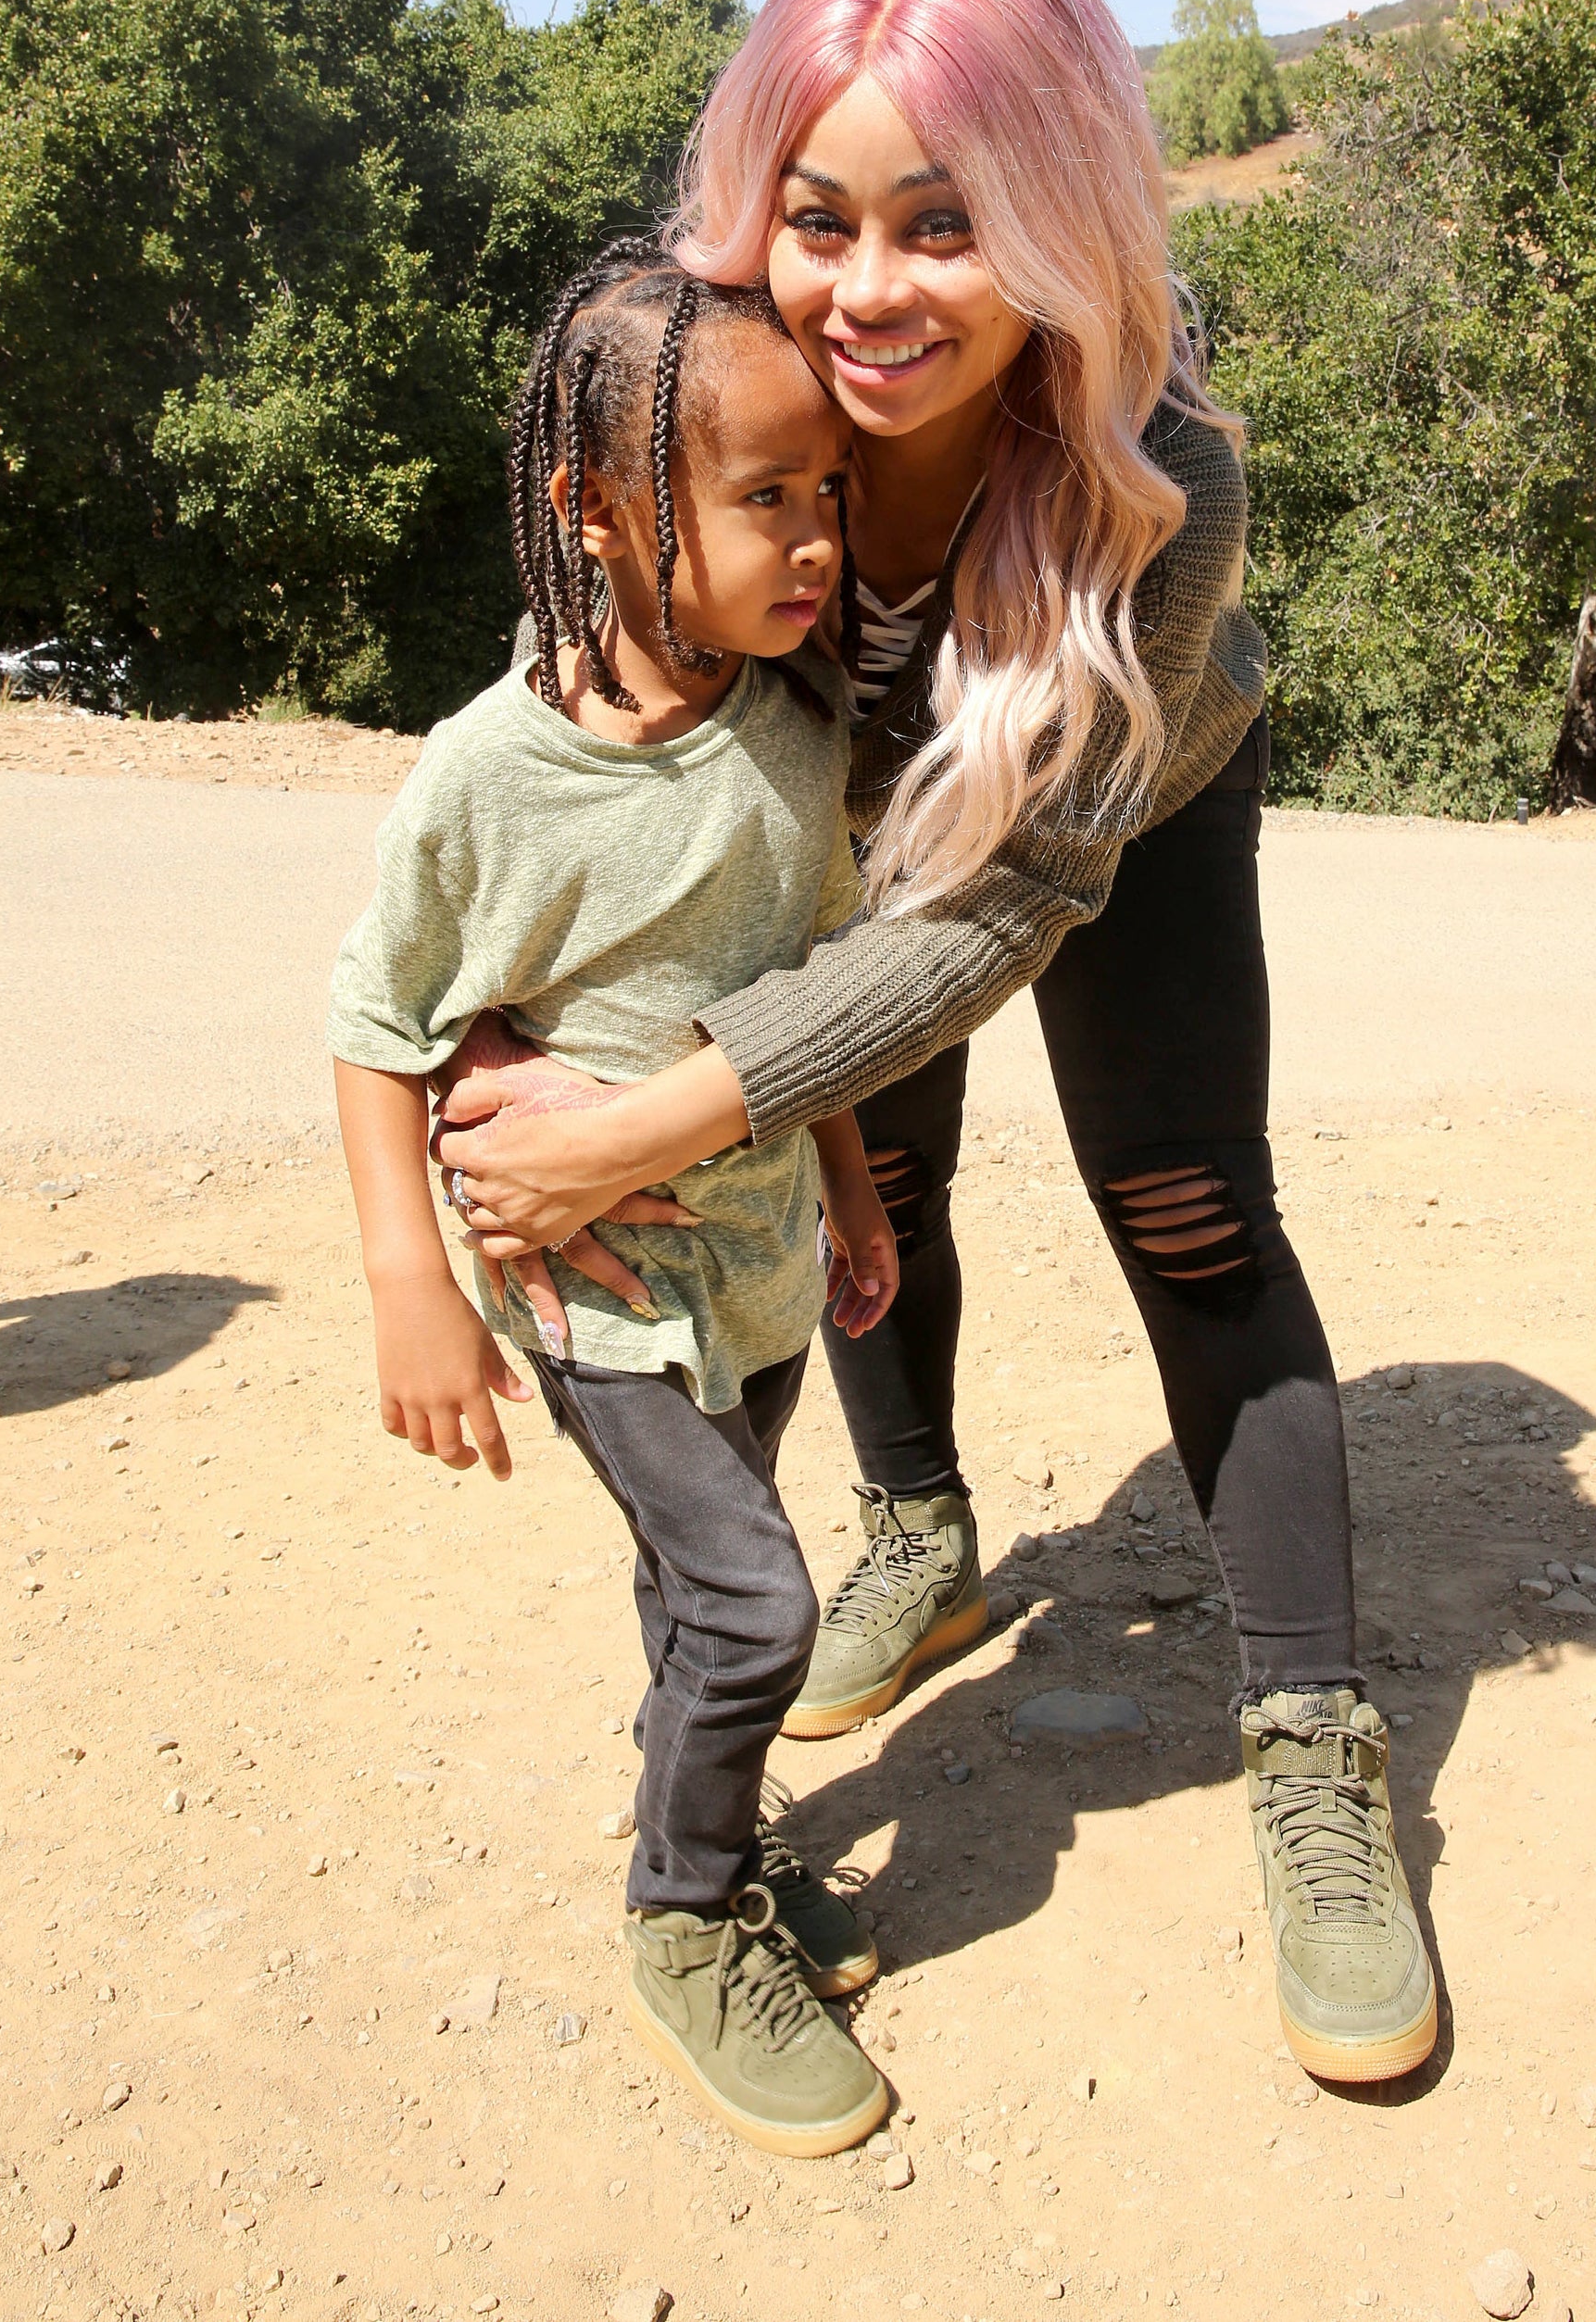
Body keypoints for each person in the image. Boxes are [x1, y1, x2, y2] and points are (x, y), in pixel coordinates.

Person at [437, 0, 1440, 2084]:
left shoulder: (1159, 466)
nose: (866, 291)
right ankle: (923, 1535)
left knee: (1182, 1194)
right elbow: (575, 704)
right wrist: (510, 1019)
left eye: (944, 223)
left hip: (1112, 810)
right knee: (862, 1167)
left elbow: (1005, 909)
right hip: (831, 836)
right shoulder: (693, 365)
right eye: (818, 219)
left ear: (1058, 225)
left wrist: (645, 1115)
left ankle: (1311, 1740)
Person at [328, 244, 903, 2155]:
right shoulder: (488, 777)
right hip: (592, 1296)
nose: (813, 537)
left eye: (824, 492)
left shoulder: (797, 734)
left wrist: (848, 1179)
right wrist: (408, 1276)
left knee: (692, 1592)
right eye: (762, 497)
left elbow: (815, 983)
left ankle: (716, 1840)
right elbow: (376, 1019)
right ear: (592, 511)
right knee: (754, 1607)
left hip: (754, 1272)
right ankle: (679, 1912)